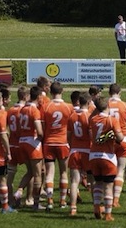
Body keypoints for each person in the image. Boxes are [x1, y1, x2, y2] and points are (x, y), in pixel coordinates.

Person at [89, 96, 124, 221]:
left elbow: (92, 122)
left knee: (97, 183)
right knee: (108, 186)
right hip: (107, 156)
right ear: (108, 106)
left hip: (93, 155)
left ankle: (96, 207)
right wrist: (113, 135)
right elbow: (120, 138)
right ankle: (108, 214)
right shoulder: (112, 120)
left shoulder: (93, 120)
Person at [41, 81, 73, 210]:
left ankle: (49, 200)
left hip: (49, 142)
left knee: (49, 173)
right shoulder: (68, 107)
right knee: (64, 172)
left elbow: (43, 126)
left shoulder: (46, 107)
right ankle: (63, 201)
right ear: (62, 91)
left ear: (51, 92)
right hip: (63, 142)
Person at [14, 86, 45, 211]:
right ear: (38, 97)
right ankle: (36, 204)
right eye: (41, 97)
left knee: (30, 172)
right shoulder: (34, 110)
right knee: (37, 174)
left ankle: (19, 192)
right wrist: (42, 137)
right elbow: (39, 130)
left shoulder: (23, 109)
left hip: (22, 141)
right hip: (32, 143)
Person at [107, 83, 126, 208]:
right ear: (120, 92)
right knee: (120, 170)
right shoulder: (125, 105)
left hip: (108, 140)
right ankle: (115, 199)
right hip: (123, 139)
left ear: (109, 92)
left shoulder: (105, 105)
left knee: (109, 170)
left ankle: (108, 197)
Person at [67, 91, 94, 216]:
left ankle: (73, 207)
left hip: (74, 150)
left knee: (74, 181)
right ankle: (96, 205)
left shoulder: (72, 116)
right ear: (88, 103)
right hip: (87, 151)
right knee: (92, 180)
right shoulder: (89, 116)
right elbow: (91, 135)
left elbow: (68, 135)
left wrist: (72, 146)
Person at [6, 86, 29, 206]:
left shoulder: (10, 110)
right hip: (22, 144)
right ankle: (25, 196)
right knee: (32, 171)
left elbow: (5, 128)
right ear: (26, 97)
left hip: (11, 144)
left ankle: (9, 200)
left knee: (10, 175)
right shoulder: (24, 110)